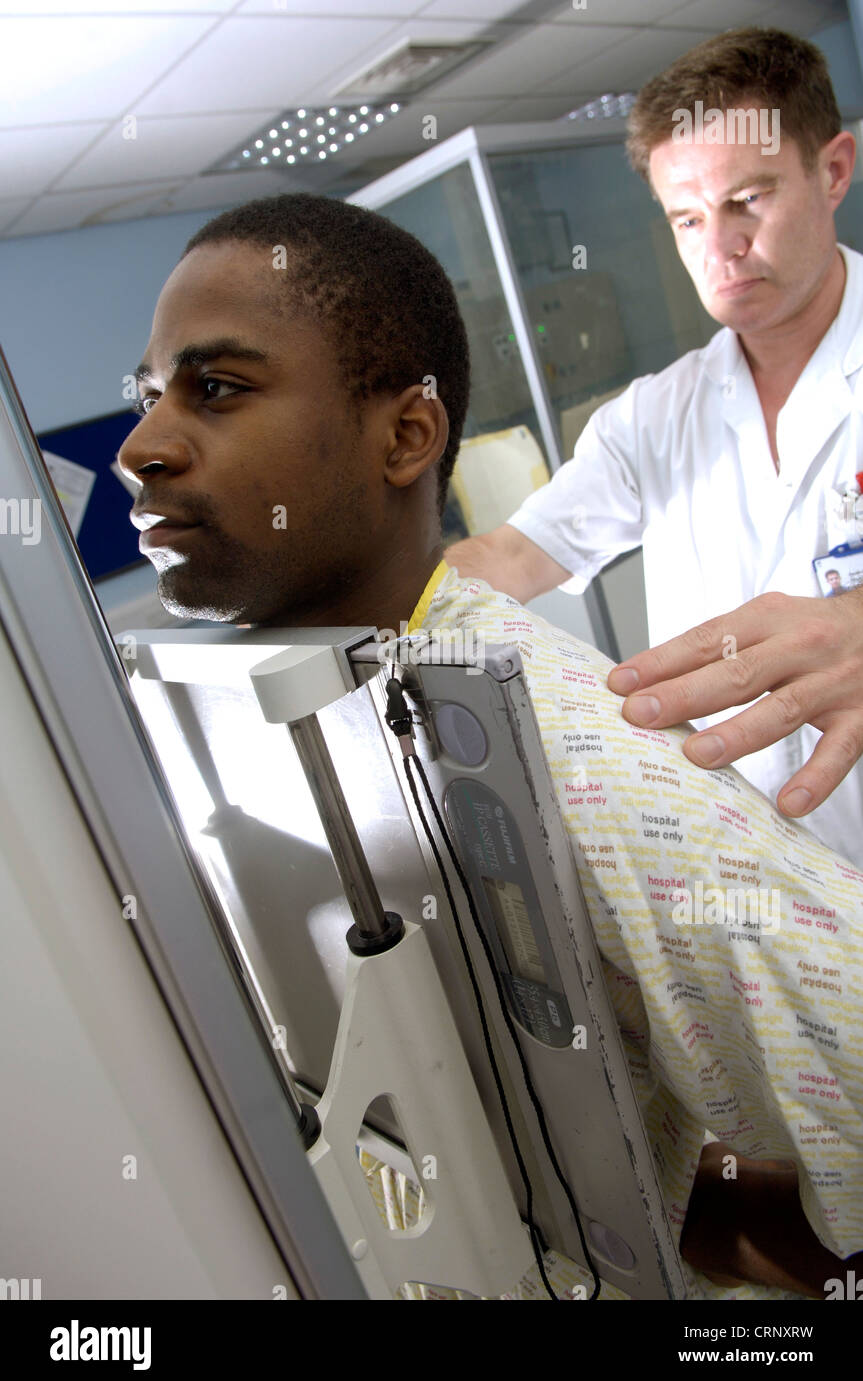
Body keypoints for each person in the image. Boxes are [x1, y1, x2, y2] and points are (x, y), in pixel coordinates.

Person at [117, 191, 863, 1300]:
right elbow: (514, 550)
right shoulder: (270, 728)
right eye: (148, 396)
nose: (141, 448)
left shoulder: (577, 775)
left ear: (406, 435)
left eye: (216, 389)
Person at [445, 27, 863, 873]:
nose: (718, 248)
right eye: (686, 216)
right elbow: (514, 554)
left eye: (747, 199)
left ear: (832, 171)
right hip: (754, 875)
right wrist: (345, 613)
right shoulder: (649, 418)